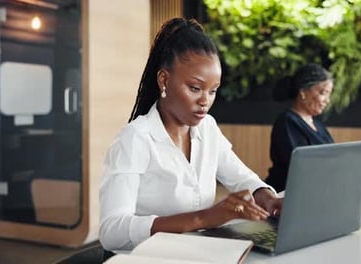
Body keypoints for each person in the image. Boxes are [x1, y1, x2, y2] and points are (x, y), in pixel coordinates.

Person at [99, 17, 282, 252]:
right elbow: (111, 232)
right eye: (195, 88)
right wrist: (203, 218)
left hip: (192, 252)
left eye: (213, 91)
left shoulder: (207, 128)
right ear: (164, 80)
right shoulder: (135, 139)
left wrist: (269, 199)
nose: (205, 101)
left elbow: (241, 178)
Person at [264, 63, 361, 192]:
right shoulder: (287, 122)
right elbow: (305, 167)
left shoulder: (318, 125)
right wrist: (358, 159)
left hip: (318, 191)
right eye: (323, 93)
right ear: (303, 93)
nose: (327, 101)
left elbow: (332, 158)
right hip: (288, 196)